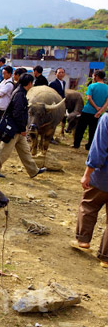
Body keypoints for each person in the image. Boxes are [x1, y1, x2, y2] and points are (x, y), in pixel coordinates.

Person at [69, 112, 108, 268]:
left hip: (102, 177)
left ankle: (83, 240)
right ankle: (106, 257)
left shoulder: (106, 119)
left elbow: (98, 150)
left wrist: (87, 174)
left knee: (89, 205)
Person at [0, 74, 47, 178]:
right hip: (14, 129)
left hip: (18, 129)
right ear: (30, 83)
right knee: (4, 150)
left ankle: (33, 170)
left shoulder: (20, 92)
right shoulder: (19, 95)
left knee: (25, 151)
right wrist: (22, 129)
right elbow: (17, 114)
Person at [72, 70, 108, 150]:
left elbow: (89, 98)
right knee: (93, 130)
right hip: (98, 114)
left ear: (97, 76)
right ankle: (89, 146)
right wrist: (100, 111)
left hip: (87, 111)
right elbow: (107, 102)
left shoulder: (92, 86)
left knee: (80, 128)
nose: (92, 77)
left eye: (93, 76)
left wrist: (95, 107)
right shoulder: (107, 88)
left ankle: (76, 144)